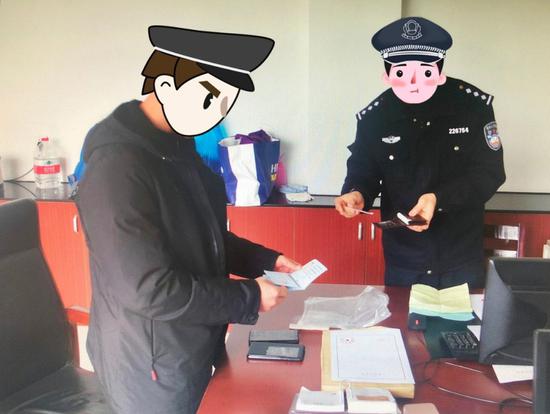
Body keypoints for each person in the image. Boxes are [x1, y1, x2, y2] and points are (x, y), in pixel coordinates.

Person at [76, 25, 301, 414]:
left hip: (189, 339)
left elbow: (203, 235)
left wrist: (266, 260)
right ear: (165, 86)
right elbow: (149, 289)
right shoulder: (117, 167)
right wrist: (248, 297)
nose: (216, 115)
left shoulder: (176, 147)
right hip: (149, 361)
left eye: (225, 104)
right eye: (211, 98)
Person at [335, 17, 505, 288]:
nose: (413, 81)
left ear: (439, 71)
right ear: (388, 73)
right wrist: (356, 193)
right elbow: (364, 168)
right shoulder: (375, 117)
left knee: (465, 318)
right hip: (404, 257)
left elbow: (490, 172)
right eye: (401, 72)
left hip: (459, 253)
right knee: (402, 316)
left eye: (424, 72)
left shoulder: (472, 106)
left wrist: (439, 199)